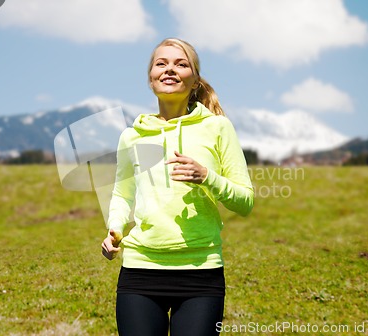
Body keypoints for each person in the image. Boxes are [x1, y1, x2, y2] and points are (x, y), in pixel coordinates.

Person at [102, 37, 254, 336]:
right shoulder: (132, 136)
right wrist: (115, 228)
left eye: (181, 64)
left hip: (201, 274)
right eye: (162, 63)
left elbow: (245, 201)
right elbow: (122, 194)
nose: (170, 69)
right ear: (150, 78)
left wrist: (207, 176)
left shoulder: (217, 127)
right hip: (140, 272)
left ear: (194, 79)